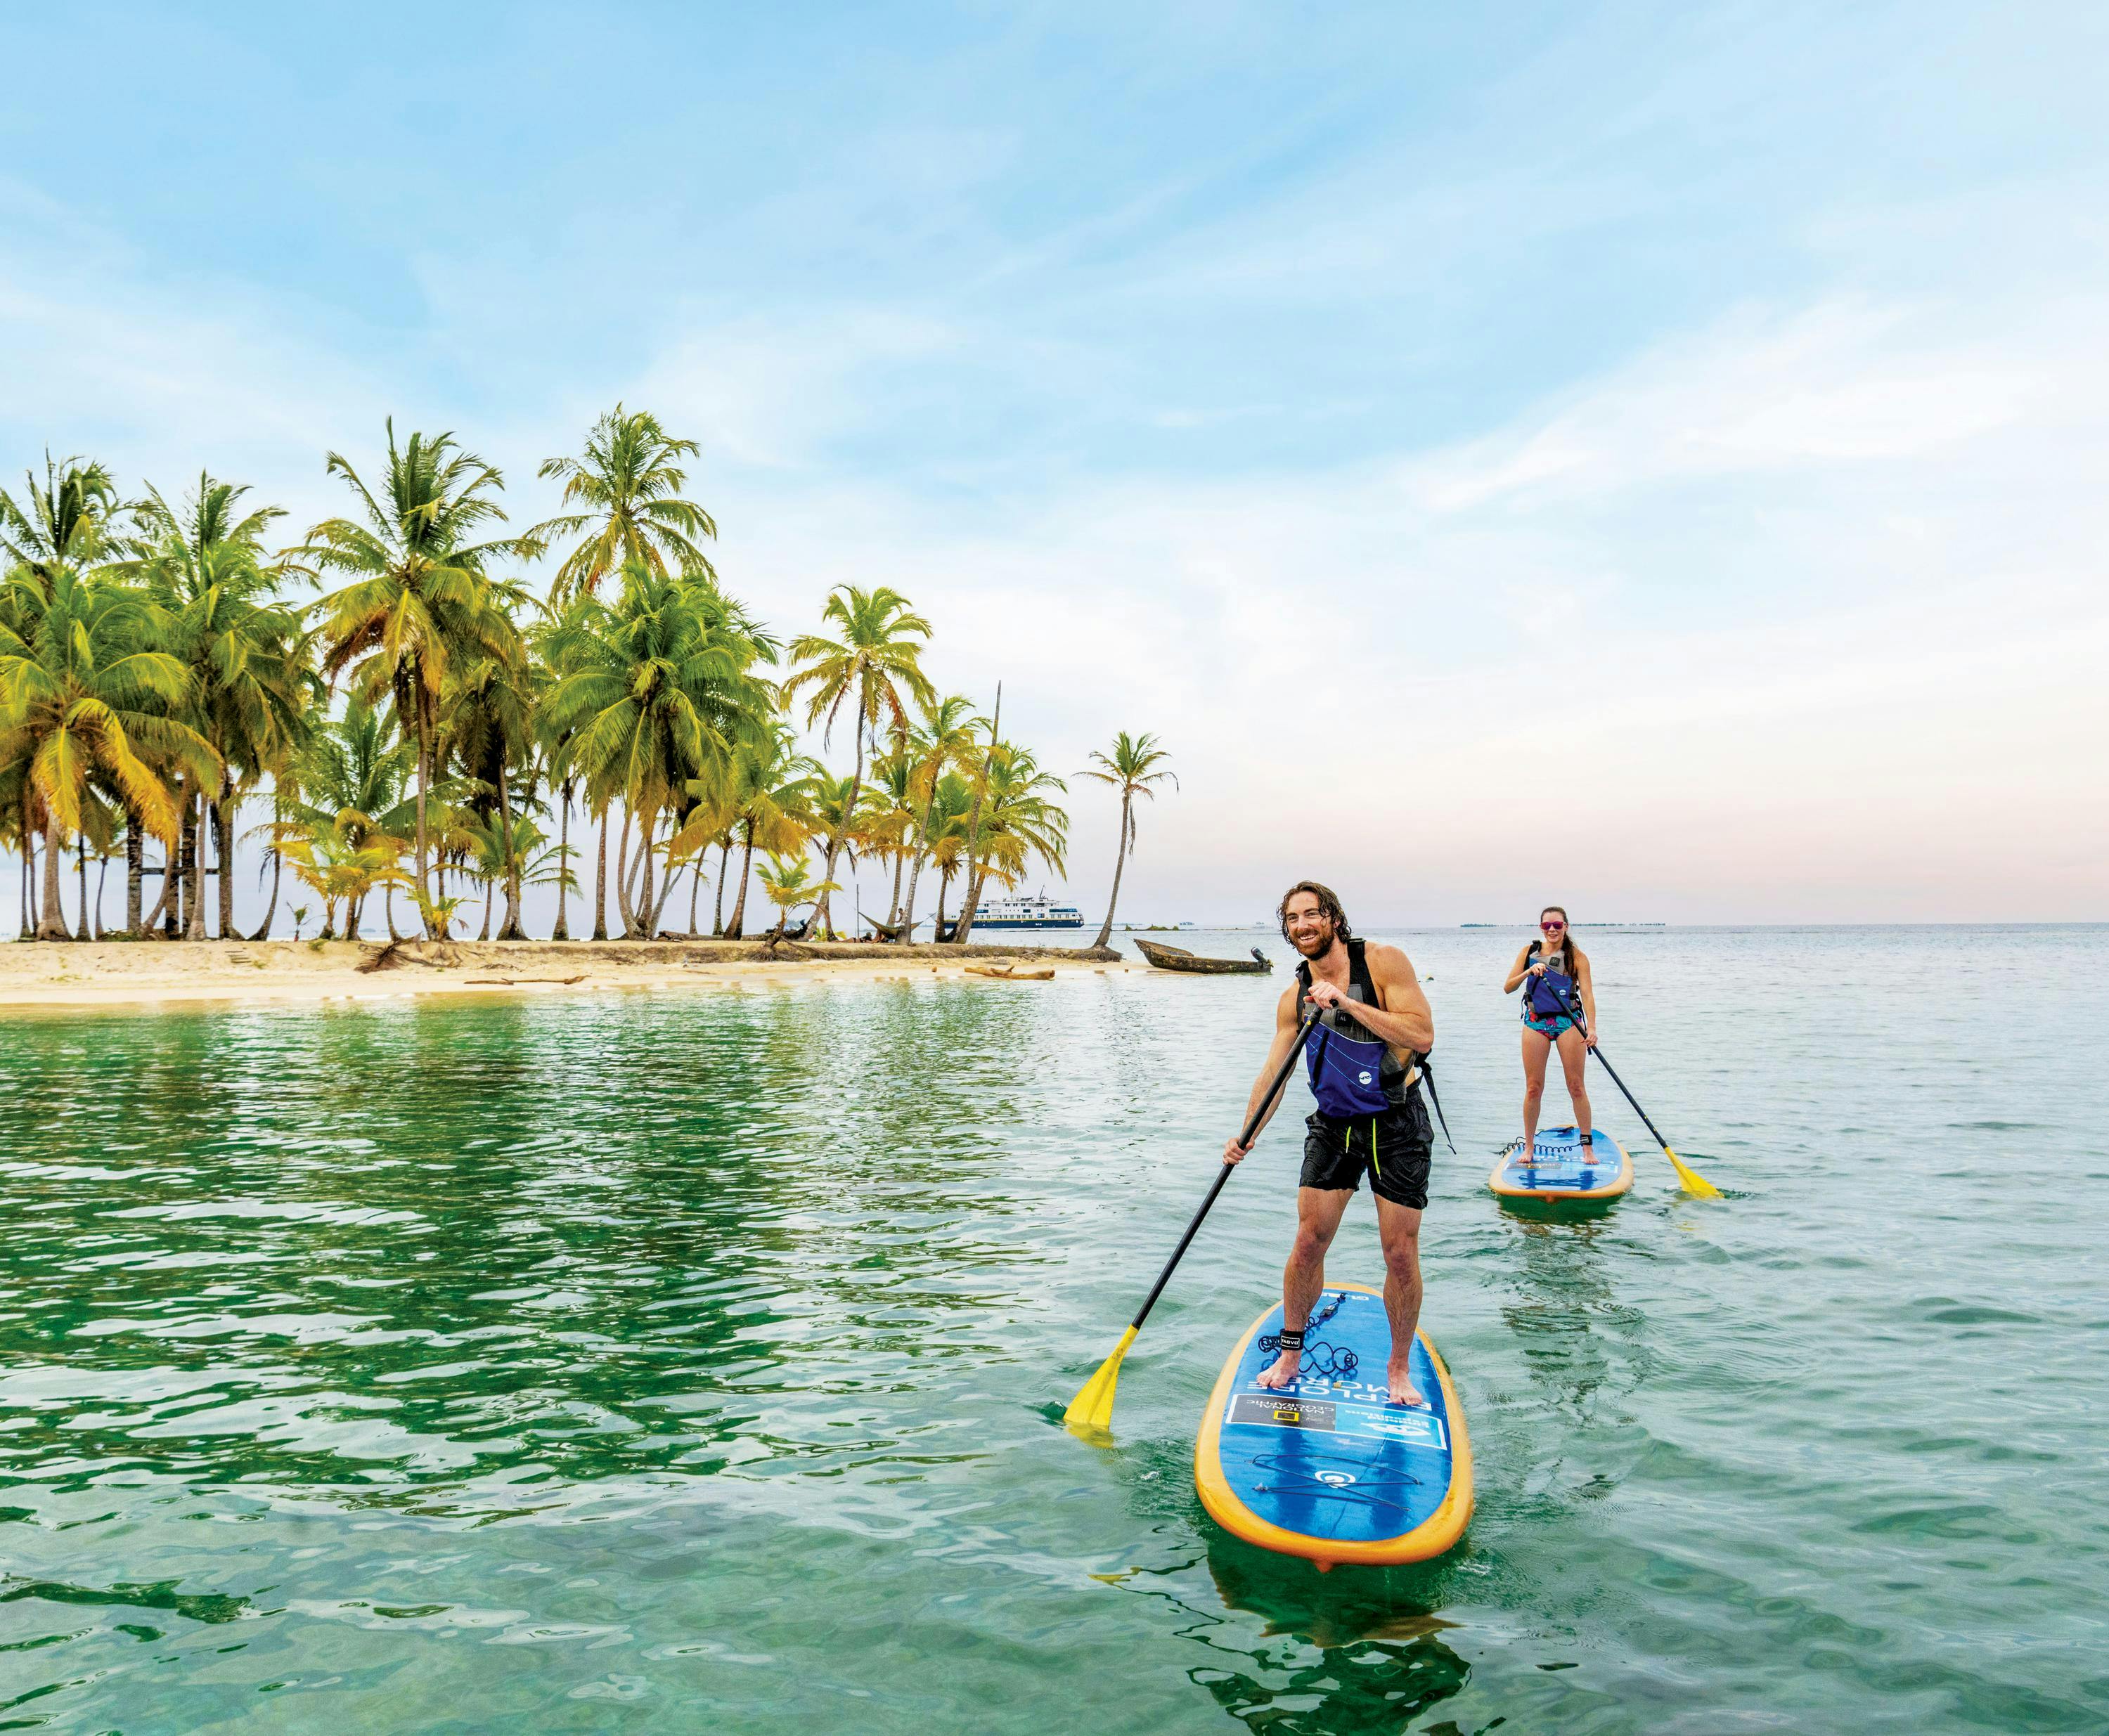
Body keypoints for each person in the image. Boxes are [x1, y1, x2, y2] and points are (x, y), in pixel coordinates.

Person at [1223, 881, 1436, 1406]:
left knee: (1400, 1254)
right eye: (1293, 919)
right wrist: (1246, 1135)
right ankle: (1291, 1353)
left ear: (1334, 919)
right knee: (1308, 1242)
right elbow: (1275, 1073)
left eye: (1312, 915)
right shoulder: (1293, 997)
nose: (1303, 926)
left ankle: (1399, 1368)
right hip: (1334, 1124)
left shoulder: (1383, 963)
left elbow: (1421, 1035)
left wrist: (1344, 1002)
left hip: (1397, 1121)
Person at [1503, 905, 1597, 1153]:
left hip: (1568, 1022)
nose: (1552, 930)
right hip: (1535, 1022)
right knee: (1534, 1087)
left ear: (1566, 926)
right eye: (1547, 926)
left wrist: (1593, 1029)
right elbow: (1508, 987)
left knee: (1576, 1086)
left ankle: (1587, 1147)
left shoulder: (1577, 957)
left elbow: (1587, 994)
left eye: (1557, 925)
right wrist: (1528, 971)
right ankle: (1529, 1147)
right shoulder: (1528, 952)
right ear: (1541, 928)